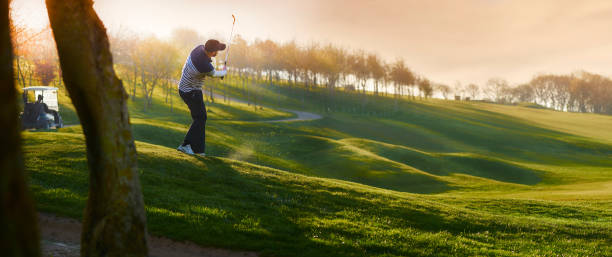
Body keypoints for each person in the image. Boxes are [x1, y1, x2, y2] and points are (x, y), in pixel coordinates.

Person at [176, 39, 228, 156]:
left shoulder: (199, 48)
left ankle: (199, 150)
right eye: (217, 51)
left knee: (201, 118)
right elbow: (214, 73)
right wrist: (224, 72)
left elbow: (210, 65)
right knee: (200, 118)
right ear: (212, 51)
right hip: (190, 91)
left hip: (187, 89)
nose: (218, 53)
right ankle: (185, 145)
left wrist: (219, 68)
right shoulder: (203, 64)